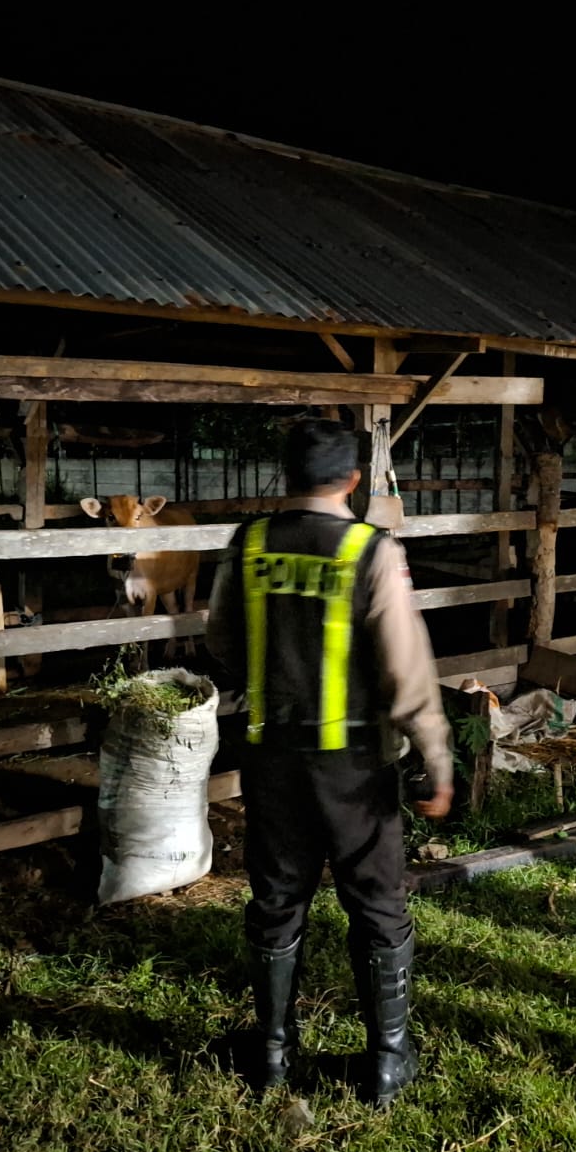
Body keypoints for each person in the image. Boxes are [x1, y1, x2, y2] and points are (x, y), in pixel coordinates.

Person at [205, 419, 454, 1106]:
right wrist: (434, 751)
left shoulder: (248, 543)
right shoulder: (369, 550)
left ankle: (276, 1055)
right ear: (353, 481)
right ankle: (386, 1063)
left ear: (287, 475)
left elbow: (221, 639)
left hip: (270, 755)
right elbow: (406, 669)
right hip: (352, 762)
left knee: (276, 901)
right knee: (377, 907)